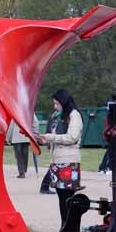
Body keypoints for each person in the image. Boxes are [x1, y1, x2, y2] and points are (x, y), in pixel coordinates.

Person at [37, 89, 83, 224]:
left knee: (67, 197)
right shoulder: (58, 116)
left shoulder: (74, 115)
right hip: (57, 160)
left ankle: (70, 227)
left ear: (64, 102)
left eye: (57, 104)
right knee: (61, 197)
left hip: (68, 160)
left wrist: (50, 138)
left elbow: (72, 137)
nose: (55, 107)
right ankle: (65, 227)